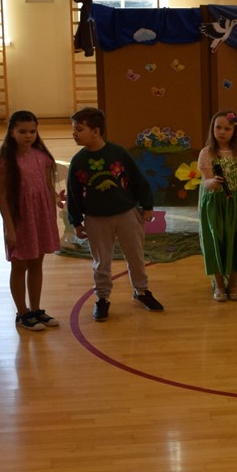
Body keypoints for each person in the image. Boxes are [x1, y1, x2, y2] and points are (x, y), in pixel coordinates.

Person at [66, 107, 163, 322]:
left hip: (127, 214)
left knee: (135, 255)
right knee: (101, 262)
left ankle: (142, 291)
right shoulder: (78, 162)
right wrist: (77, 221)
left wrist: (147, 206)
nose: (74, 134)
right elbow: (73, 194)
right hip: (96, 219)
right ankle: (102, 298)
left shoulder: (118, 153)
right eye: (74, 129)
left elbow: (139, 180)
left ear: (96, 131)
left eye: (79, 129)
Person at [0, 110, 61, 332]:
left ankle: (36, 309)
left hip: (40, 219)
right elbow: (2, 197)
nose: (28, 135)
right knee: (20, 266)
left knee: (37, 264)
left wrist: (54, 205)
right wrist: (10, 229)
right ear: (11, 132)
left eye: (32, 131)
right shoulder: (5, 163)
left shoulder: (42, 158)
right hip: (20, 220)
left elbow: (47, 187)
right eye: (22, 131)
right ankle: (22, 313)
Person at [197, 109, 237, 302]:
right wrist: (213, 182)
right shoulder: (206, 153)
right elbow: (206, 182)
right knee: (216, 241)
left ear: (235, 131)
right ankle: (219, 284)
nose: (222, 132)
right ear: (212, 129)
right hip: (215, 204)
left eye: (227, 128)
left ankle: (233, 284)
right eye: (218, 127)